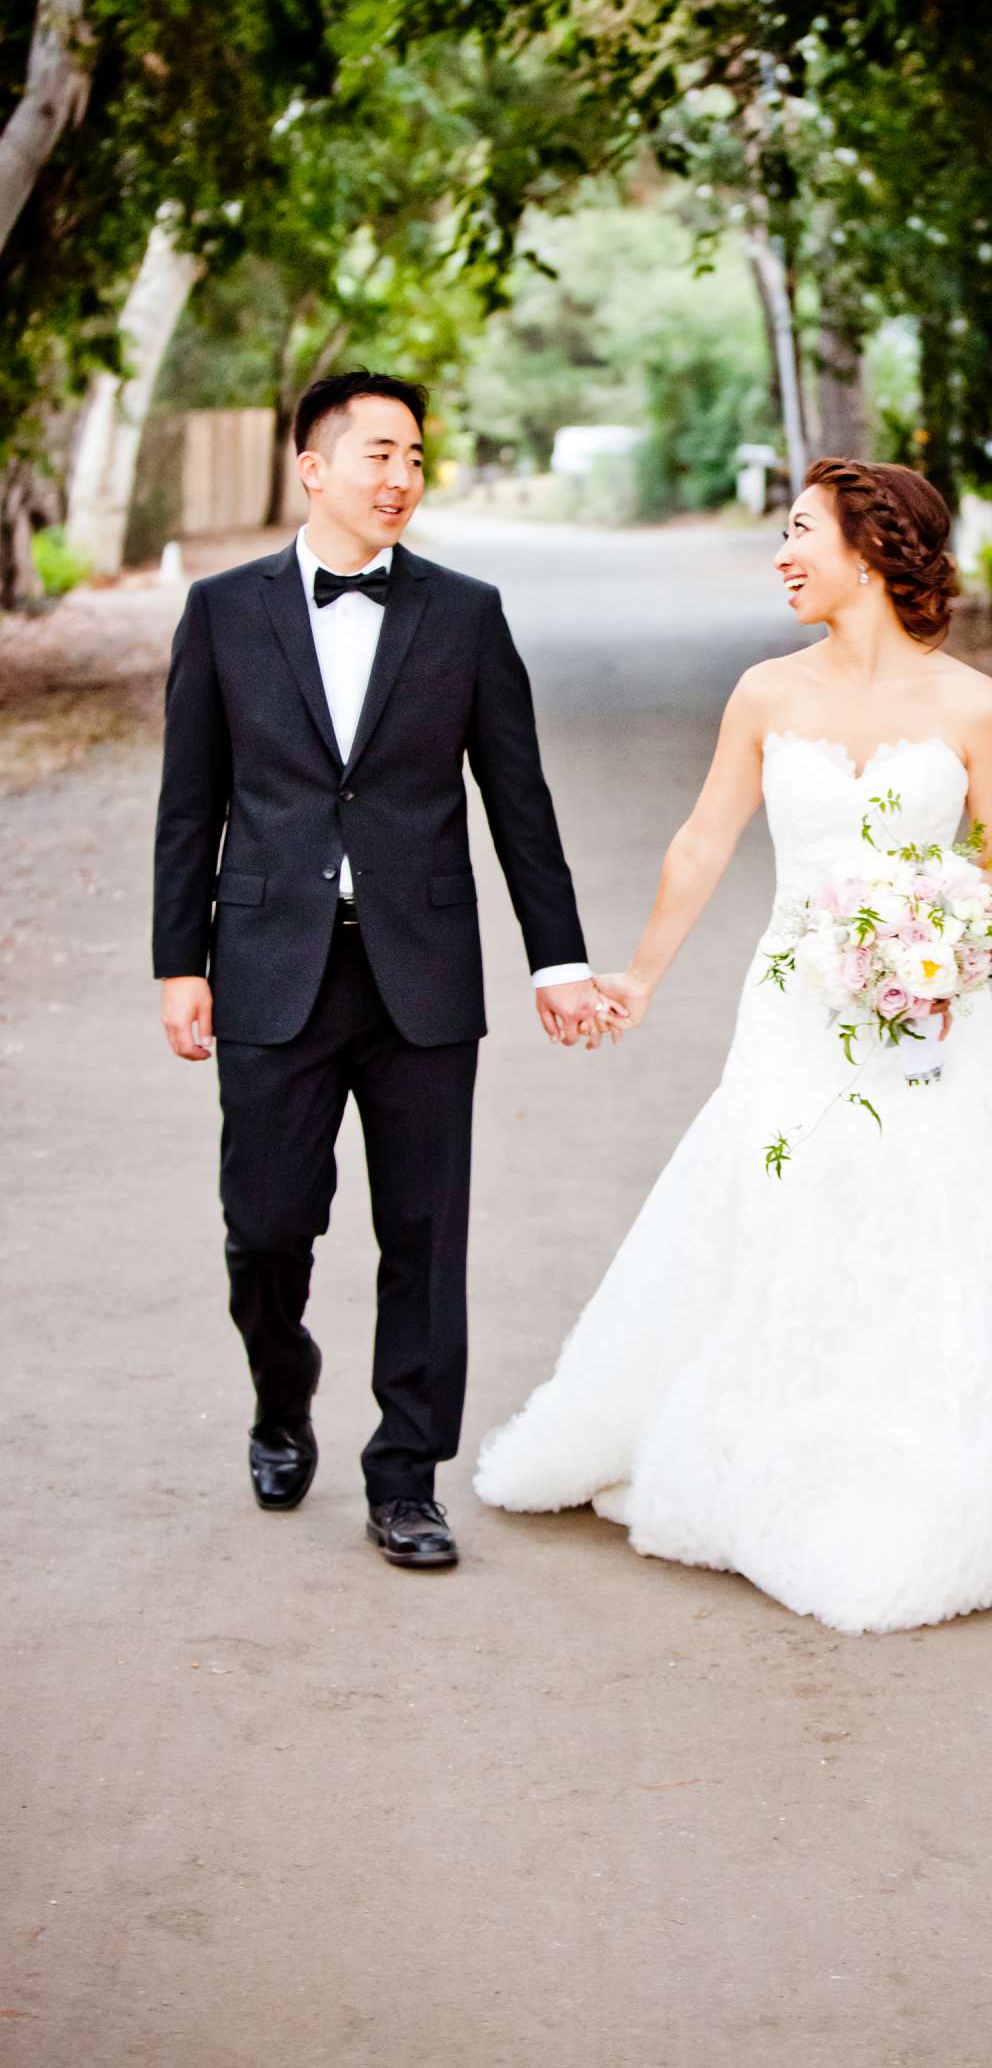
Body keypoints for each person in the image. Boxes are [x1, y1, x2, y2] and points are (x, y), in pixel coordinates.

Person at [475, 458, 992, 1633]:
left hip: (929, 1016)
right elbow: (701, 843)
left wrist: (945, 945)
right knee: (787, 1198)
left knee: (935, 1209)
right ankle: (774, 1446)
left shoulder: (974, 706)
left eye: (799, 532)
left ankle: (943, 1459)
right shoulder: (766, 694)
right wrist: (638, 979)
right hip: (792, 999)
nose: (781, 554)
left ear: (871, 551)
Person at [153, 370, 610, 1570]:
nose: (401, 476)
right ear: (314, 468)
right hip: (264, 967)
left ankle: (406, 1477)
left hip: (419, 973)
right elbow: (189, 801)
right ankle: (280, 1388)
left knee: (424, 1233)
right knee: (265, 1228)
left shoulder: (463, 614)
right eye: (378, 455)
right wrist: (176, 963)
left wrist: (556, 958)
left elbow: (519, 800)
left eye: (414, 456)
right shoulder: (222, 610)